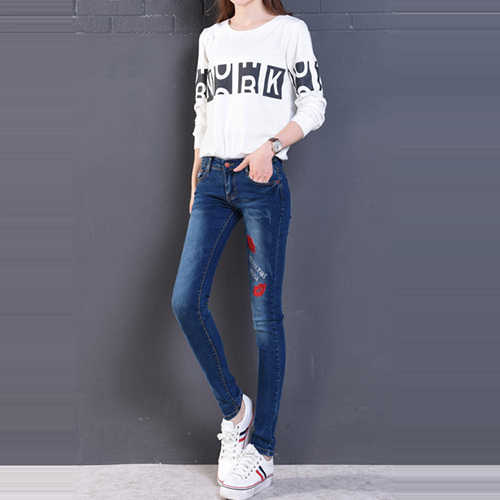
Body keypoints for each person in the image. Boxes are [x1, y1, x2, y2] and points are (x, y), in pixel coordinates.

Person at [171, 0, 327, 498]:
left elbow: (314, 105)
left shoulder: (289, 31)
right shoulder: (212, 39)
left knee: (265, 319)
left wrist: (271, 146)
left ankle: (262, 452)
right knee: (185, 301)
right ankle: (236, 412)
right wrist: (196, 175)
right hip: (213, 181)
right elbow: (202, 113)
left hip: (262, 181)